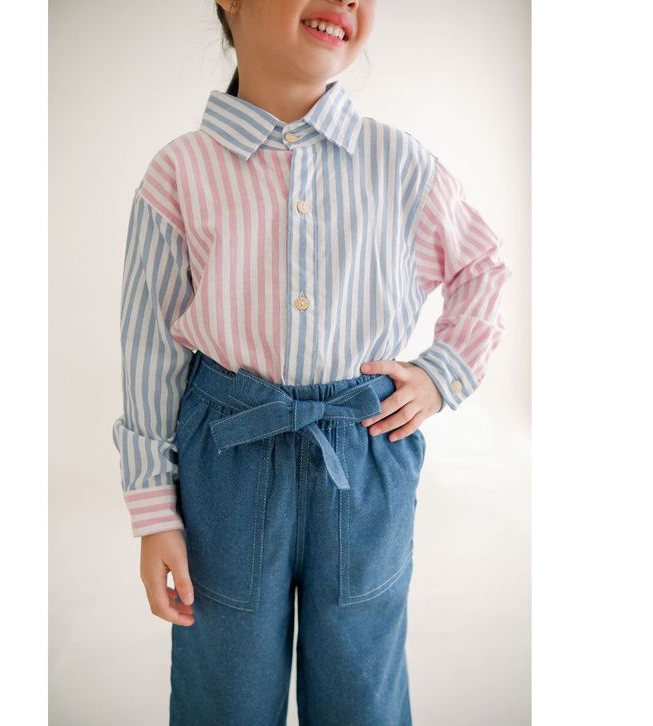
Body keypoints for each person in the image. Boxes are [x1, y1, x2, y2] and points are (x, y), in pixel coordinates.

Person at [111, 0, 513, 723]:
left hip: (366, 451)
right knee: (225, 690)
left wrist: (441, 373)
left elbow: (481, 266)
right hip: (226, 458)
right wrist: (154, 512)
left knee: (362, 685)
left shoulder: (400, 164)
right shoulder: (180, 173)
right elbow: (149, 347)